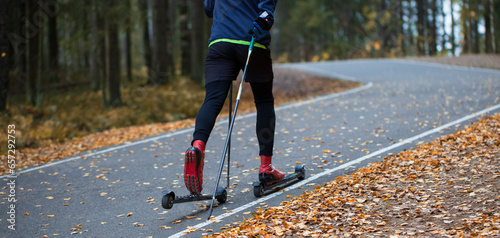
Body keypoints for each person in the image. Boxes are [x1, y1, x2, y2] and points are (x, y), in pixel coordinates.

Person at [184, 0, 283, 195]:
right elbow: (266, 14)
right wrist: (261, 21)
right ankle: (266, 168)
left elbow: (208, 9)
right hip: (251, 41)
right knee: (263, 101)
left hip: (220, 43)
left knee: (212, 99)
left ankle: (197, 147)